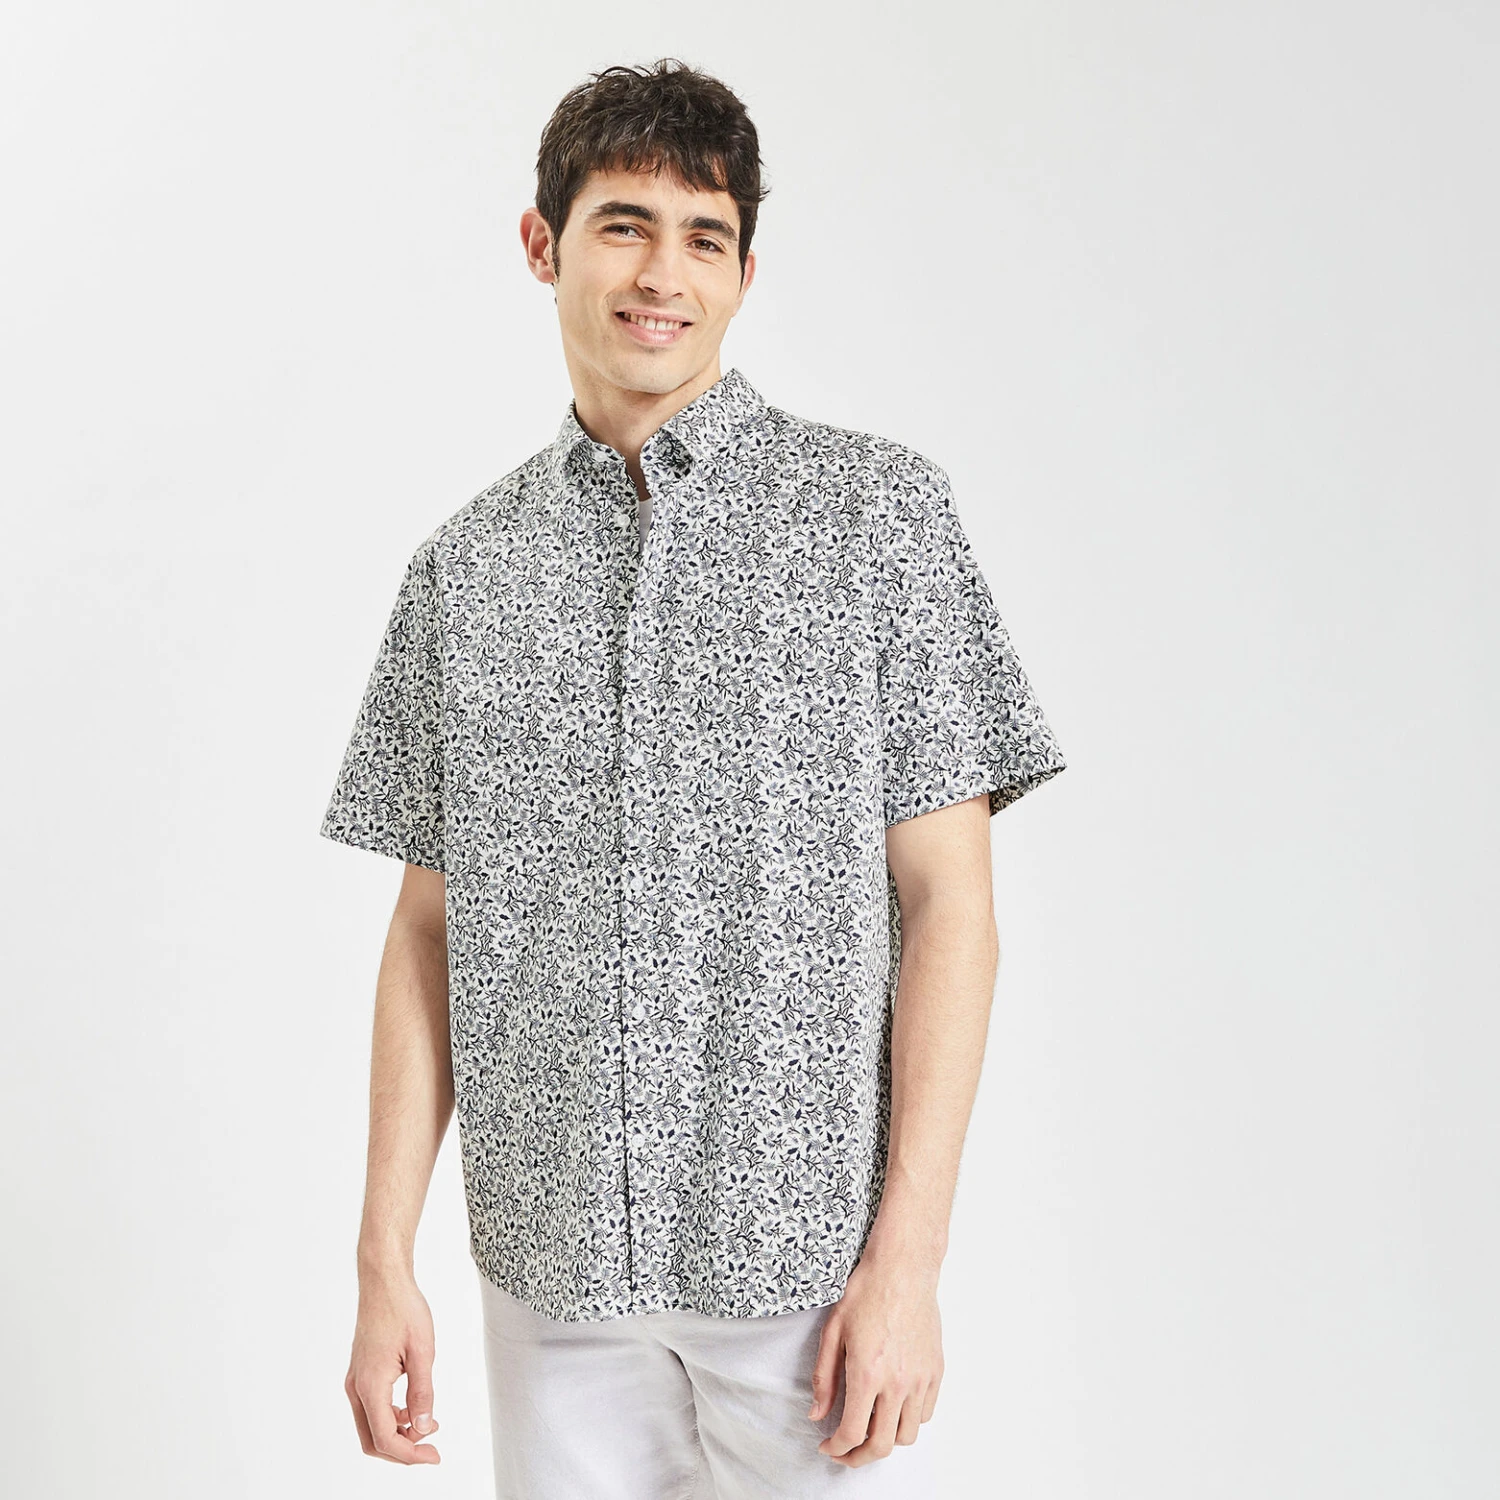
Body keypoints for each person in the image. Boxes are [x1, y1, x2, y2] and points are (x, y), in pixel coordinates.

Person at [320, 57, 1068, 1499]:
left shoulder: (876, 519)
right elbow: (427, 932)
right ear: (542, 245)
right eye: (624, 225)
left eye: (703, 237)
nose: (663, 274)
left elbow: (952, 907)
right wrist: (381, 1259)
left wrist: (910, 1263)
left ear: (742, 273)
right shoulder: (464, 571)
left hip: (805, 1270)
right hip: (549, 1270)